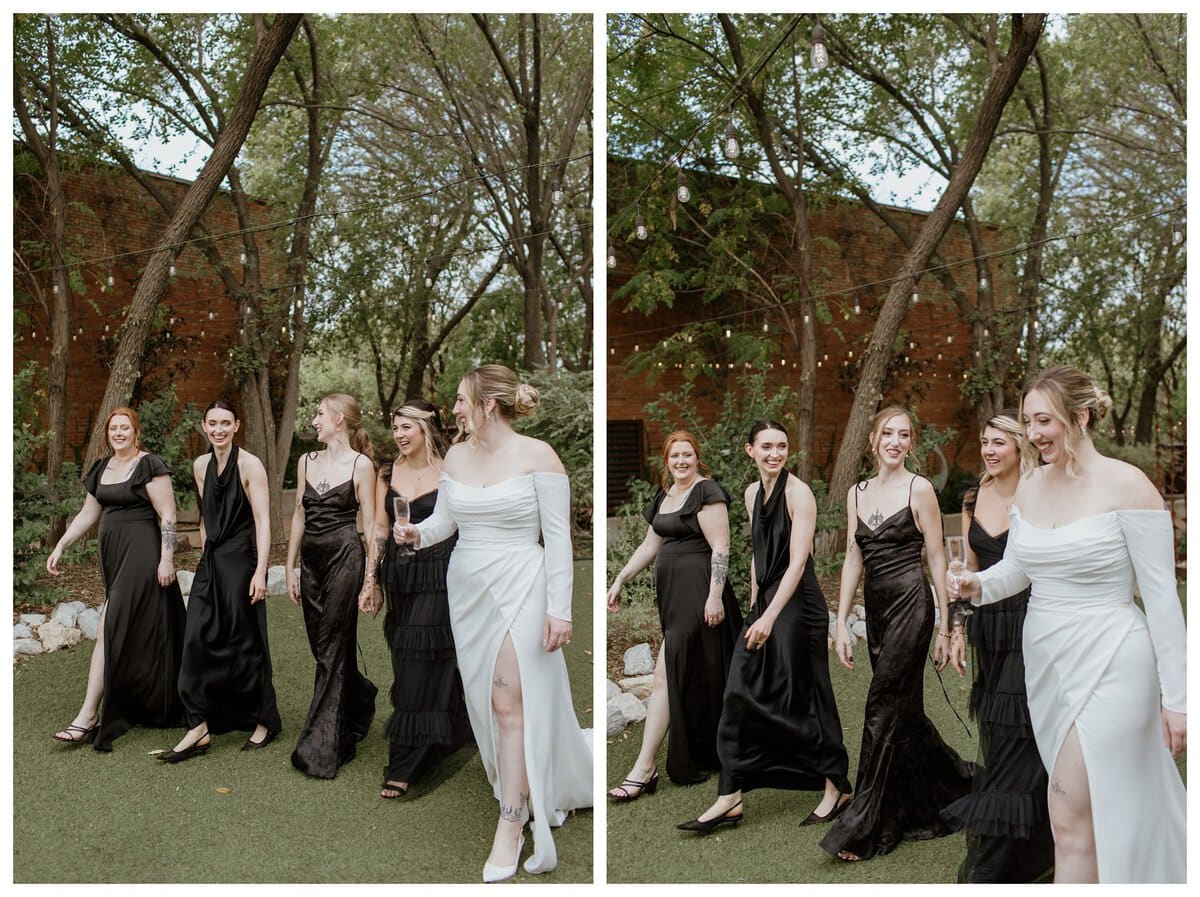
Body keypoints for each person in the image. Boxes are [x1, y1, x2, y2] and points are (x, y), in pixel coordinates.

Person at [950, 366, 1186, 883]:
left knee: (1071, 809)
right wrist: (978, 586)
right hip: (1047, 666)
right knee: (1073, 822)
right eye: (1028, 421)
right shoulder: (1030, 486)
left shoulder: (1129, 486)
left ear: (1079, 417)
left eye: (1044, 420)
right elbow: (1020, 568)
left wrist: (1178, 701)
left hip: (1112, 658)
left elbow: (1163, 599)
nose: (1033, 434)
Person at [394, 364, 591, 882]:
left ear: (486, 405)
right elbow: (448, 521)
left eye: (460, 400)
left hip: (522, 582)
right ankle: (523, 781)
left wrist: (561, 609)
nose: (454, 409)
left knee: (508, 699)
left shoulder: (538, 456)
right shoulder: (456, 456)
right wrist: (416, 535)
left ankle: (513, 820)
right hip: (468, 591)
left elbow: (558, 538)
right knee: (488, 698)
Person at [678, 421, 851, 834]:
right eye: (767, 446)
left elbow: (797, 562)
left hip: (799, 607)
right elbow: (759, 553)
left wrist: (771, 616)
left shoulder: (799, 493)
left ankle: (836, 786)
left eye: (782, 446)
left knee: (809, 695)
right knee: (738, 690)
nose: (775, 453)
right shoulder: (752, 492)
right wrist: (757, 605)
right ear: (749, 450)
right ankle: (730, 795)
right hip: (768, 604)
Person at [820, 405, 973, 862]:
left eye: (903, 435)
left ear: (911, 443)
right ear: (872, 439)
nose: (894, 441)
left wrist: (947, 623)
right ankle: (949, 791)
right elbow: (852, 557)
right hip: (879, 611)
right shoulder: (857, 492)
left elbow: (937, 558)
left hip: (913, 606)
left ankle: (867, 826)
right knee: (903, 713)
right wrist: (842, 620)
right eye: (887, 432)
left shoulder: (919, 488)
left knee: (881, 706)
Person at [940, 411, 1054, 881]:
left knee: (1023, 734)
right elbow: (969, 564)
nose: (988, 450)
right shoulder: (972, 495)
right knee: (998, 730)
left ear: (1019, 446)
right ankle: (1037, 848)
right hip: (989, 625)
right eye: (985, 442)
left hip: (1032, 625)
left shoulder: (1041, 492)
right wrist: (959, 627)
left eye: (999, 442)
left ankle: (1000, 858)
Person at [606, 431, 743, 795]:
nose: (681, 461)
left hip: (698, 594)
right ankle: (700, 750)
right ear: (665, 461)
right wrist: (620, 578)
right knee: (688, 672)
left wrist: (714, 596)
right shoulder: (667, 495)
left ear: (697, 457)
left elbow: (721, 548)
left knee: (666, 673)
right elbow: (651, 543)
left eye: (687, 455)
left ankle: (644, 767)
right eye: (674, 456)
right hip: (671, 597)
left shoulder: (707, 492)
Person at [46, 406, 185, 751]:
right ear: (107, 434)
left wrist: (166, 559)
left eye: (125, 428)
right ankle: (140, 699)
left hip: (142, 553)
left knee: (109, 626)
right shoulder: (102, 468)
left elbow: (168, 513)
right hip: (112, 556)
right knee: (125, 628)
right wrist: (62, 544)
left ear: (136, 432)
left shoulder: (150, 465)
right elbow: (89, 513)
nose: (119, 433)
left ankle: (88, 715)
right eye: (113, 429)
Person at [159, 400, 283, 762]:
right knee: (196, 637)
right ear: (203, 426)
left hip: (242, 561)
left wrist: (261, 571)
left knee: (246, 641)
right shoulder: (200, 465)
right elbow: (204, 515)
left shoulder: (250, 464)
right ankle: (198, 723)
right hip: (211, 561)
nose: (218, 429)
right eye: (212, 423)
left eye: (225, 423)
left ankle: (264, 720)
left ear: (236, 425)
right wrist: (203, 553)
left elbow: (262, 521)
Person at [368, 399, 471, 799]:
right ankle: (455, 728)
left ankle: (405, 761)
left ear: (426, 428)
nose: (399, 435)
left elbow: (459, 522)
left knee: (418, 661)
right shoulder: (387, 471)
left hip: (440, 573)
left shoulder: (450, 470)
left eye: (406, 427)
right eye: (395, 427)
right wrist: (370, 581)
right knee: (405, 655)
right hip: (399, 574)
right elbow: (379, 527)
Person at [286, 393, 379, 778]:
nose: (314, 421)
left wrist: (371, 577)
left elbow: (371, 525)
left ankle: (322, 746)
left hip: (345, 558)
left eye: (320, 414)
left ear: (339, 419)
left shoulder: (362, 466)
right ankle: (359, 700)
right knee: (321, 645)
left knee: (333, 646)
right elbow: (298, 514)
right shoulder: (305, 461)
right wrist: (289, 565)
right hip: (311, 562)